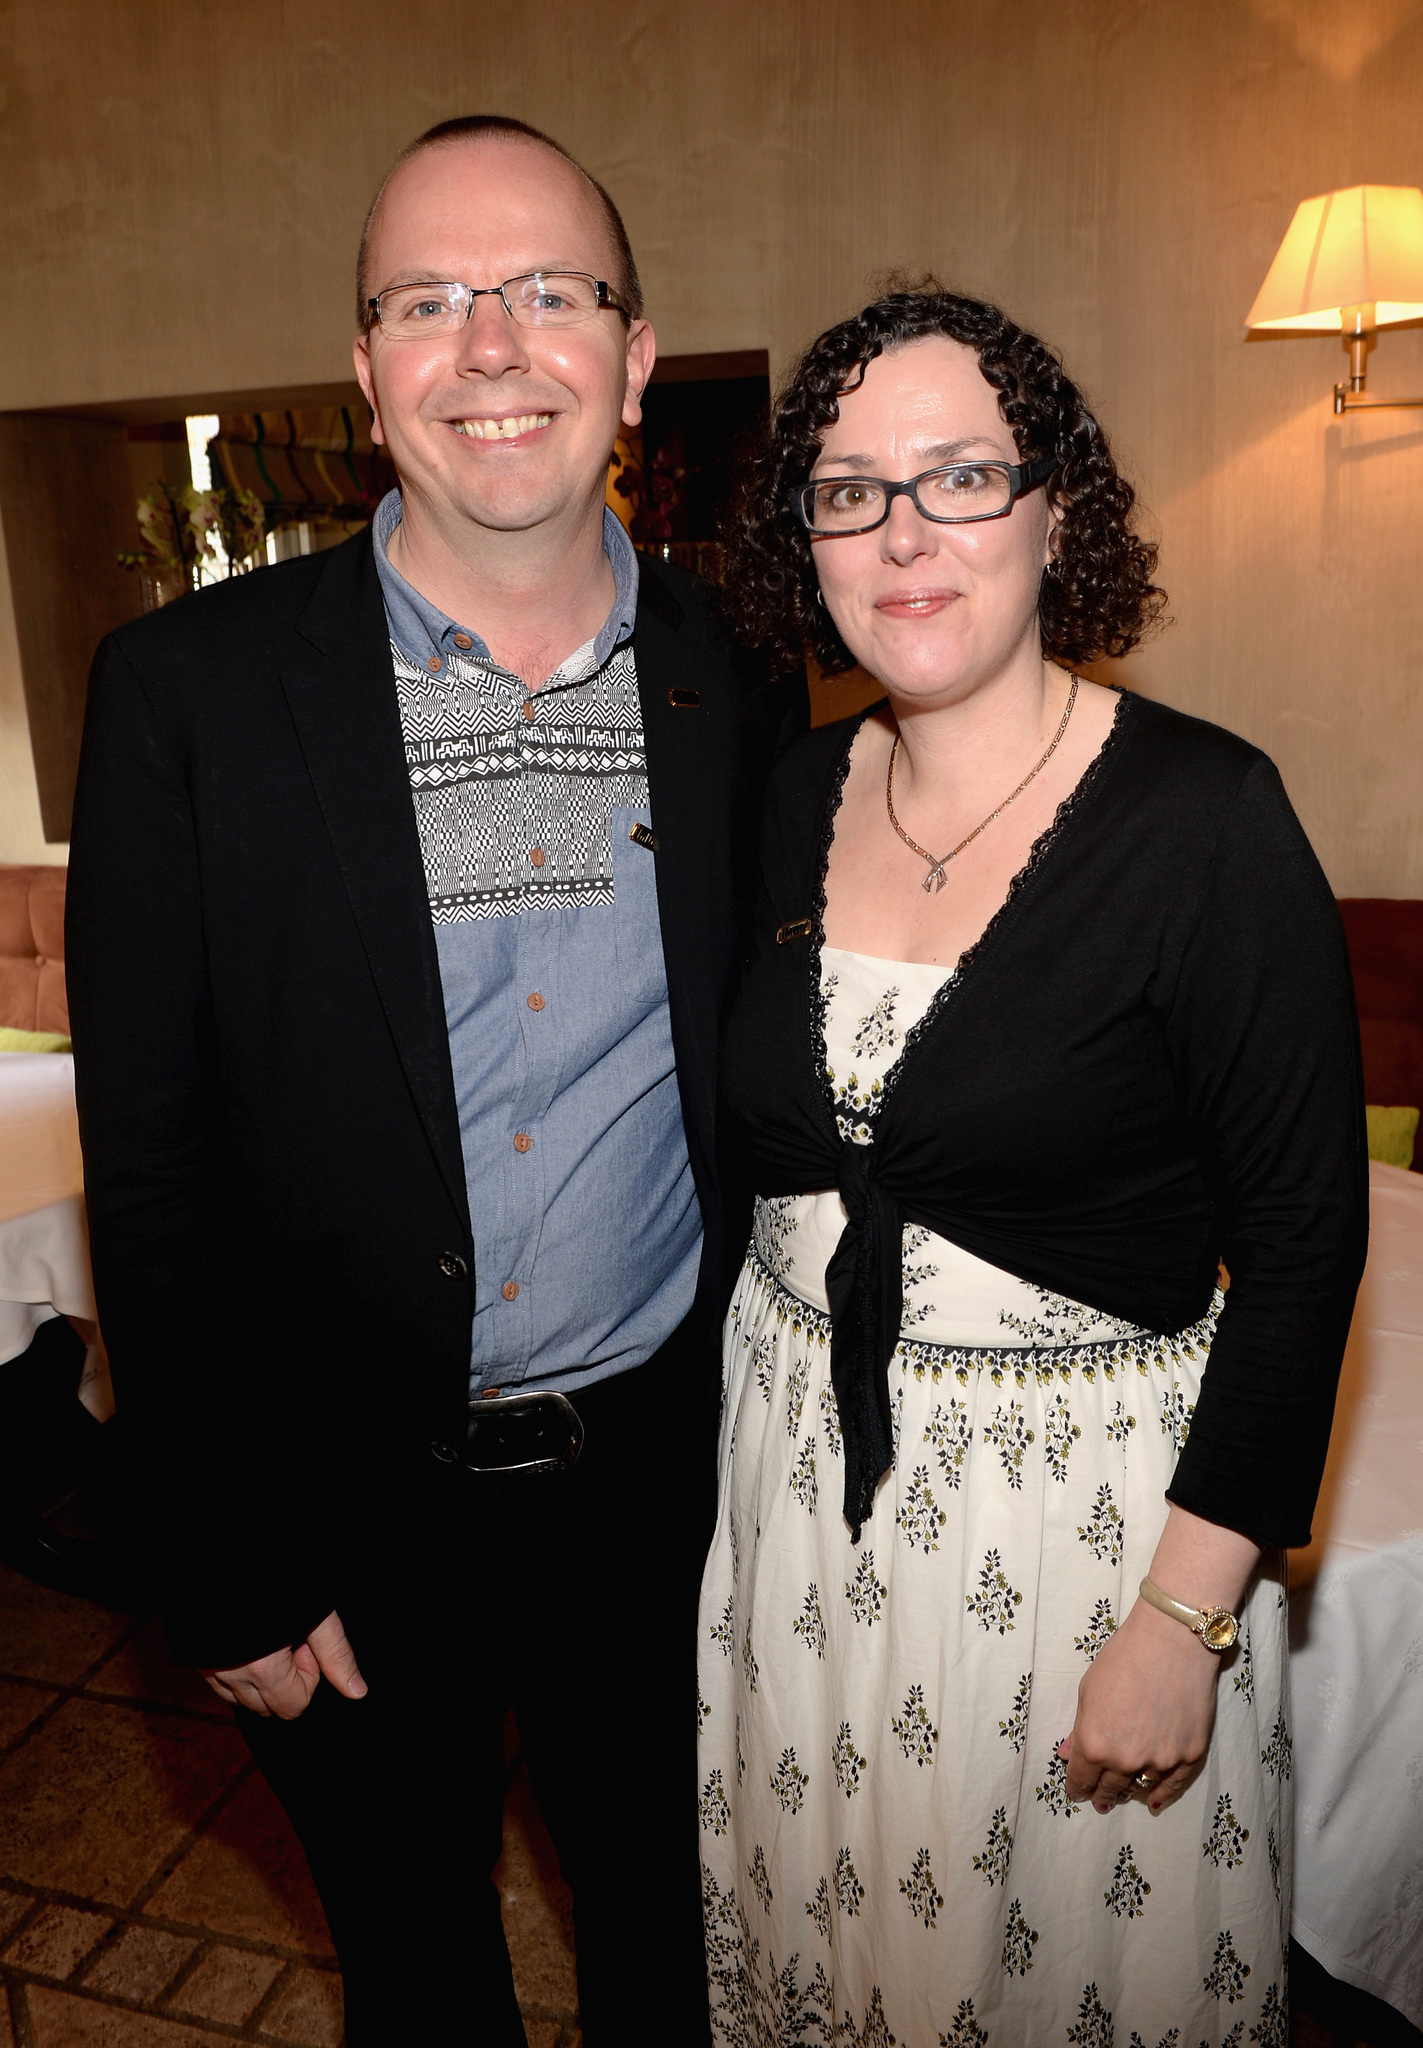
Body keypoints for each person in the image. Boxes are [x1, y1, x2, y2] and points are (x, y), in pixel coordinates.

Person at [66, 115, 802, 2046]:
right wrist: (218, 1551)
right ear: (370, 368)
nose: (495, 343)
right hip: (343, 1508)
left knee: (672, 1944)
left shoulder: (744, 673)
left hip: (663, 1496)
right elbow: (142, 1167)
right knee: (418, 1974)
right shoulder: (186, 702)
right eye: (432, 301)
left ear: (636, 360)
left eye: (554, 292)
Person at [697, 284, 1367, 2045]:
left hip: (1077, 1539)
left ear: (1056, 511)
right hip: (797, 1500)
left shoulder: (1208, 821)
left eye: (962, 476)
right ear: (807, 541)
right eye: (850, 489)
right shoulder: (792, 794)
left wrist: (1186, 1623)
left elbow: (1305, 1242)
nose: (904, 533)